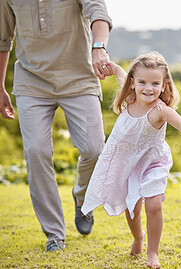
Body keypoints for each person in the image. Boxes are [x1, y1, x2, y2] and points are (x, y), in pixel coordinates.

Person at [81, 51, 181, 268]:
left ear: (164, 86)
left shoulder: (161, 110)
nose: (148, 88)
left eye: (155, 83)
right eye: (142, 82)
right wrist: (115, 68)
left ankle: (152, 253)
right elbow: (121, 76)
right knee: (132, 207)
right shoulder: (130, 98)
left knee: (153, 204)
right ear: (133, 83)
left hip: (153, 162)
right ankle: (138, 237)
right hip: (128, 162)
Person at [0, 0, 113, 252]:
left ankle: (82, 197)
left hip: (79, 78)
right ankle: (54, 234)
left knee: (94, 149)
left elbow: (98, 11)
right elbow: (3, 39)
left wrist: (98, 47)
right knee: (36, 152)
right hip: (32, 82)